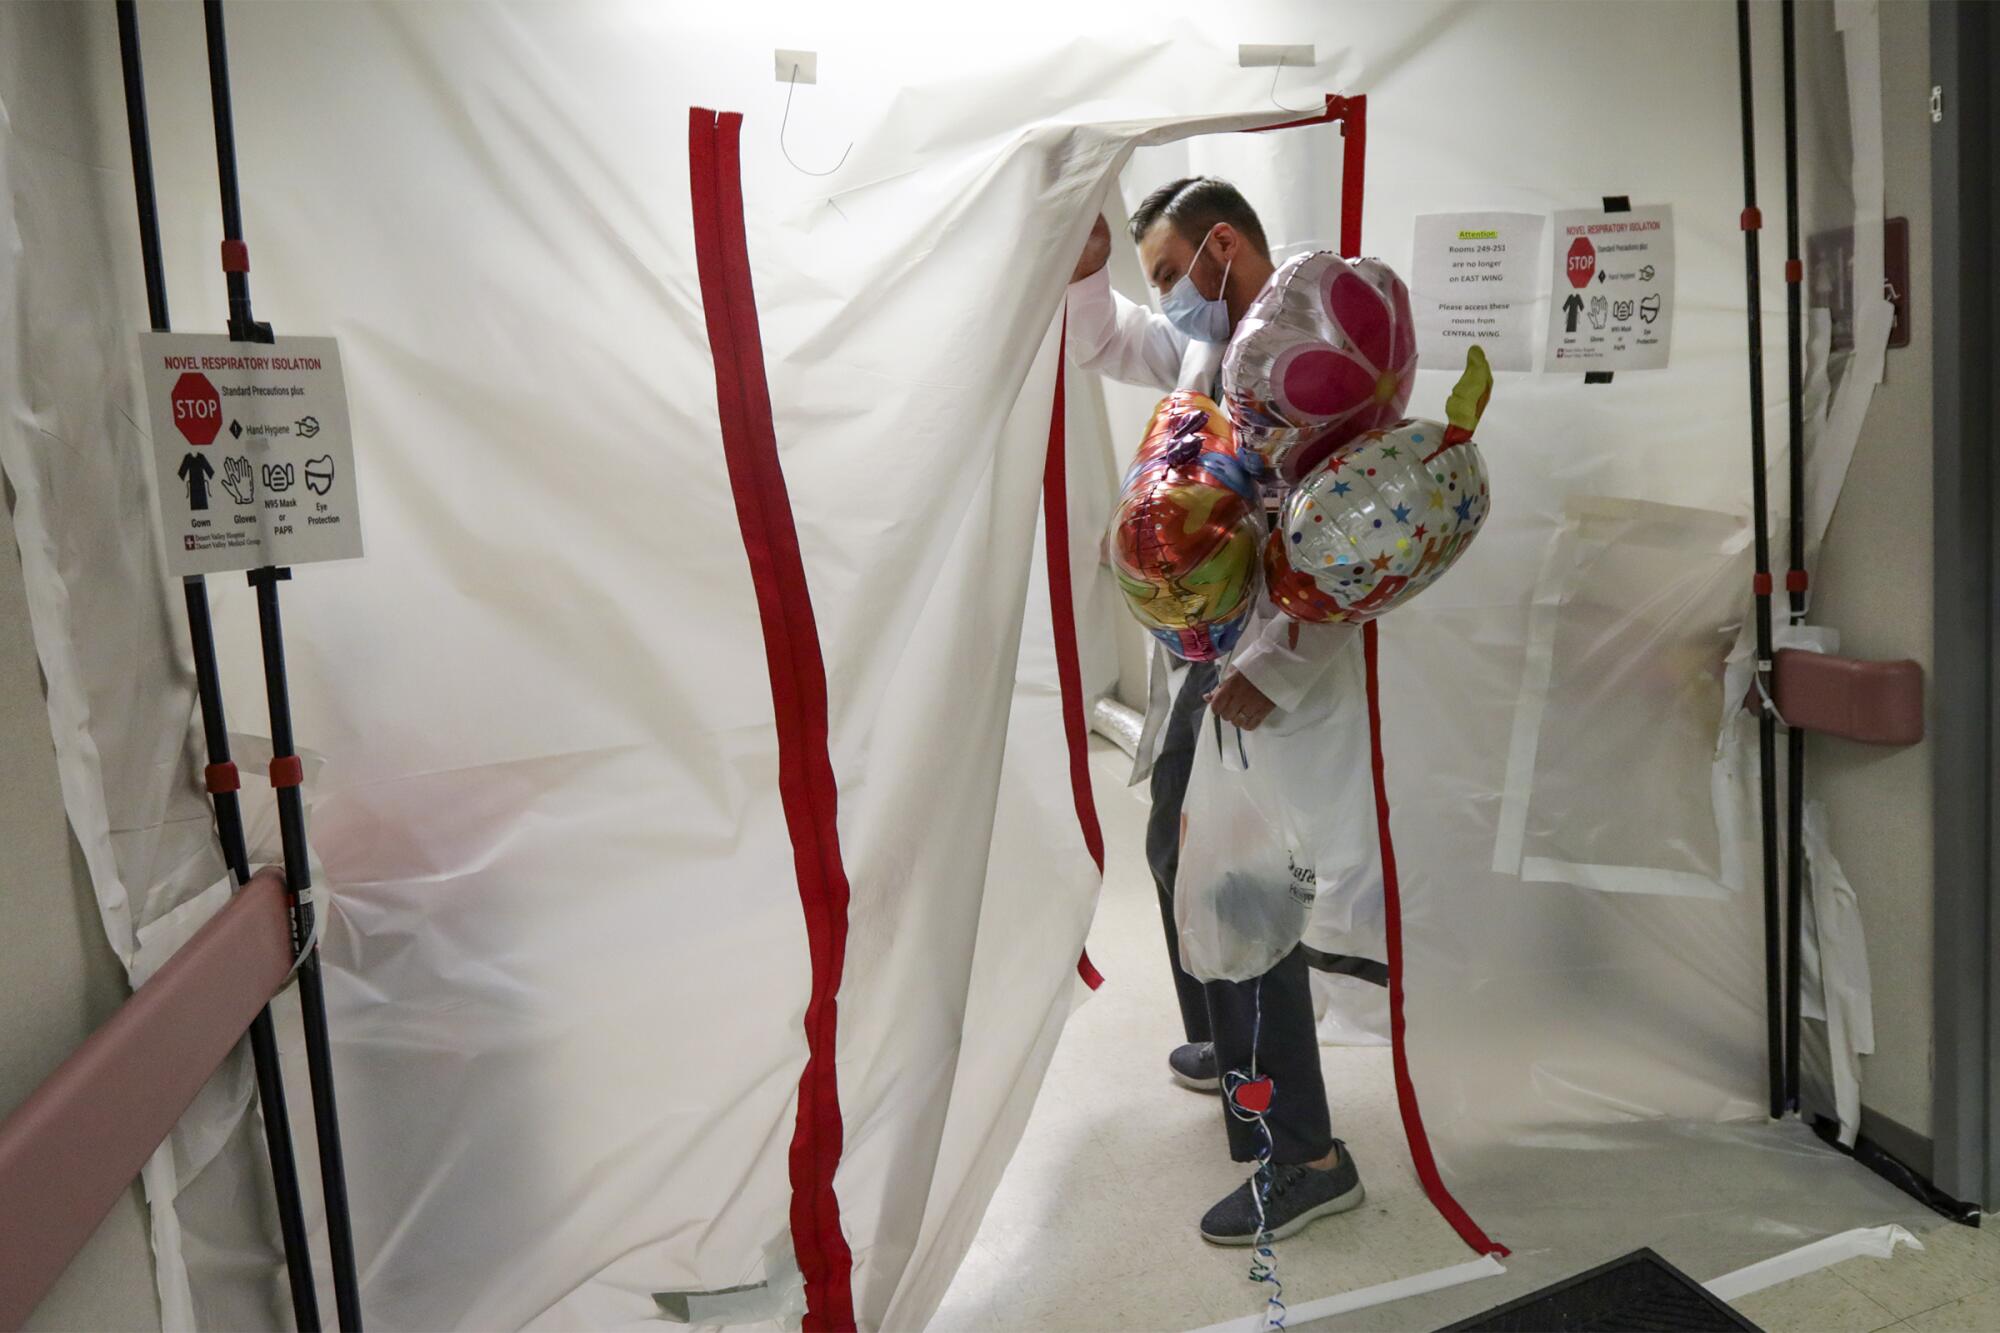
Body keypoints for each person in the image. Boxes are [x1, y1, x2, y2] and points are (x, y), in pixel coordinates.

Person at [1066, 177, 1368, 1244]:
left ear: (1221, 246)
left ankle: (1305, 1154)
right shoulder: (1210, 348)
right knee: (1166, 847)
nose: (1168, 299)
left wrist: (1279, 667)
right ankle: (1228, 1050)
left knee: (1239, 891)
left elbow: (1352, 537)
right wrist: (1083, 271)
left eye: (1169, 273)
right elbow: (1113, 340)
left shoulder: (1311, 359)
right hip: (1209, 655)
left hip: (1260, 665)